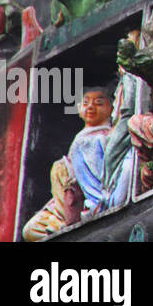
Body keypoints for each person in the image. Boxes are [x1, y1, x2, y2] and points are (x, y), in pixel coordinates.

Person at [21, 84, 135, 241]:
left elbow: (101, 176)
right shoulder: (79, 140)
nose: (91, 107)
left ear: (111, 108)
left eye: (99, 103)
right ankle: (63, 225)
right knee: (30, 230)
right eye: (86, 103)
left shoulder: (106, 137)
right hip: (70, 201)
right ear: (79, 109)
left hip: (93, 201)